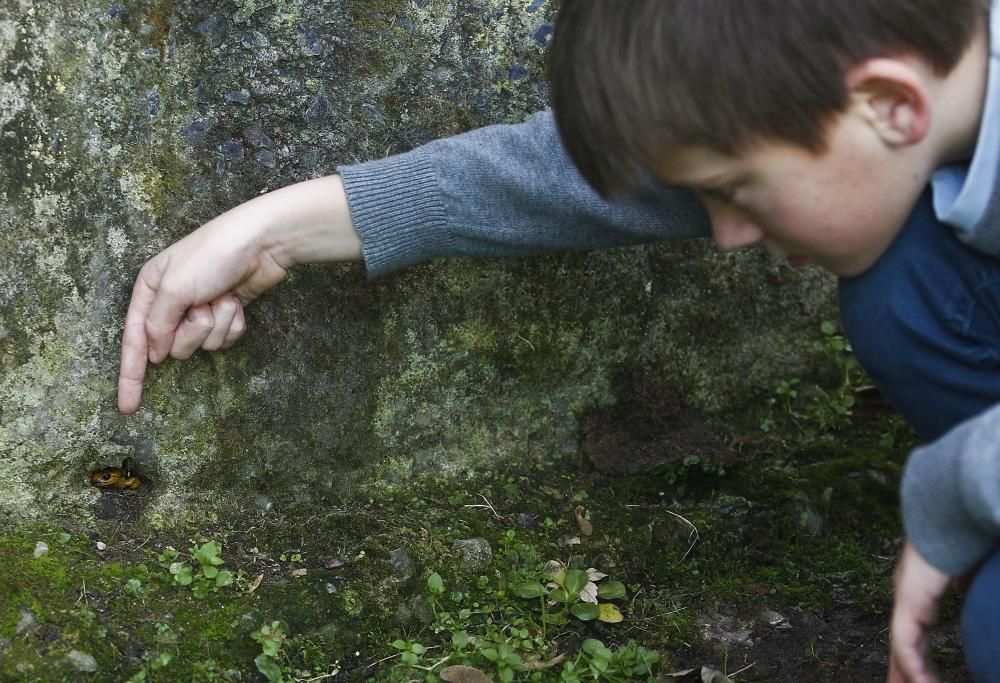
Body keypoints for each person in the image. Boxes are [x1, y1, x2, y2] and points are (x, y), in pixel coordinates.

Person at [116, 0, 1000, 680]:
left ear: (893, 104)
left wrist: (958, 491)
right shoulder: (896, 88)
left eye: (735, 190)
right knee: (904, 283)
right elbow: (568, 178)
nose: (726, 235)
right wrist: (272, 230)